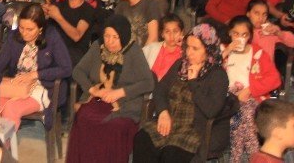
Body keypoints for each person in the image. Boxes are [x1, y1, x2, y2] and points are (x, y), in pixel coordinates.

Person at [133, 23, 231, 163]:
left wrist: (193, 82)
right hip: (170, 121)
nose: (189, 52)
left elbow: (211, 111)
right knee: (142, 139)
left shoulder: (218, 75)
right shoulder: (181, 64)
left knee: (170, 155)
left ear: (208, 50)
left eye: (195, 48)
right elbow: (160, 89)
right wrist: (163, 112)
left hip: (193, 129)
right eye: (187, 47)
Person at [67, 14, 155, 163]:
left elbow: (148, 82)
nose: (110, 42)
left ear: (124, 36)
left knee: (113, 126)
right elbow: (78, 71)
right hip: (98, 98)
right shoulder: (97, 47)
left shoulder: (133, 51)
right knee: (83, 118)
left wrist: (119, 93)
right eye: (107, 36)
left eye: (115, 37)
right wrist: (92, 90)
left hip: (125, 103)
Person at [0, 3, 72, 129]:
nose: (24, 33)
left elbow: (66, 69)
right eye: (22, 28)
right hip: (17, 85)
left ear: (40, 29)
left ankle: (3, 147)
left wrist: (36, 74)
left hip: (43, 87)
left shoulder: (52, 37)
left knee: (12, 108)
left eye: (30, 29)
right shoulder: (14, 37)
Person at [224, 15, 282, 162]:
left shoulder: (257, 52)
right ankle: (254, 156)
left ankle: (237, 158)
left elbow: (274, 79)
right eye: (235, 34)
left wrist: (250, 89)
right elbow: (209, 71)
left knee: (246, 113)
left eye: (244, 34)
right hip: (227, 98)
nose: (239, 38)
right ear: (229, 33)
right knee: (242, 113)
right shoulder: (223, 52)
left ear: (249, 36)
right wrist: (226, 52)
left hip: (252, 98)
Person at [143, 13, 185, 80]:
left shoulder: (185, 52)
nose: (171, 36)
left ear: (182, 32)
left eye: (175, 31)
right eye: (167, 31)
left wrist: (185, 46)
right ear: (162, 34)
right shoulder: (151, 48)